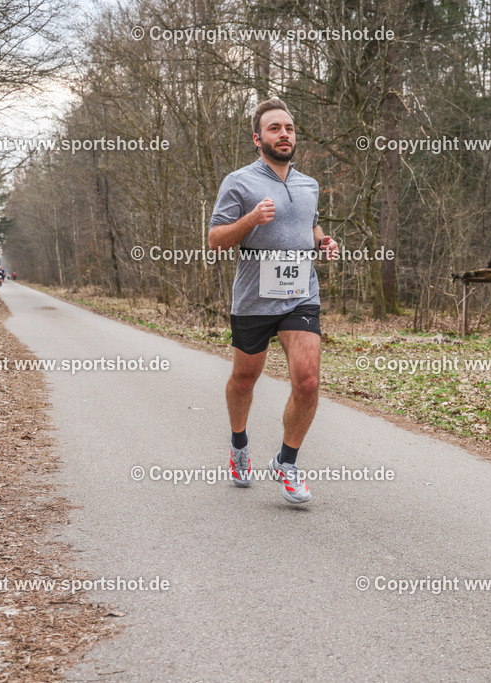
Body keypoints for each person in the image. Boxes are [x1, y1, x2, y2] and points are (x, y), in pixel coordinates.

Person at [208, 98, 338, 504]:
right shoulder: (239, 182)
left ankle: (287, 461)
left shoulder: (308, 184)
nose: (284, 134)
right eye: (275, 128)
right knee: (244, 379)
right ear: (257, 138)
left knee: (309, 380)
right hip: (254, 298)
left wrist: (325, 243)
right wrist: (251, 220)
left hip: (301, 296)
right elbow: (215, 241)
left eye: (290, 128)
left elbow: (310, 226)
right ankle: (239, 444)